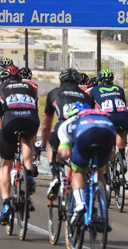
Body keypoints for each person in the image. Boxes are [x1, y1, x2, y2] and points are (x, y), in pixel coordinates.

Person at [0, 65, 39, 225]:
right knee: (27, 141)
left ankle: (6, 204)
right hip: (31, 120)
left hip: (10, 122)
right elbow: (34, 110)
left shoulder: (1, 88)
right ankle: (28, 173)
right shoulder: (30, 87)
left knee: (5, 166)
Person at [57, 102, 118, 225]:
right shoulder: (101, 116)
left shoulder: (69, 123)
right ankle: (102, 215)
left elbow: (65, 153)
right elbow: (111, 156)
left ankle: (80, 204)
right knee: (99, 172)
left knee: (78, 172)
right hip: (108, 130)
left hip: (86, 135)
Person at [40, 68, 94, 200]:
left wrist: (43, 143)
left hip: (64, 126)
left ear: (60, 81)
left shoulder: (54, 93)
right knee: (80, 166)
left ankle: (56, 176)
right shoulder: (86, 96)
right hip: (84, 129)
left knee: (52, 147)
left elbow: (46, 125)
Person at [87, 69, 128, 172]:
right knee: (121, 131)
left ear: (99, 81)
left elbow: (90, 109)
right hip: (123, 116)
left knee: (104, 141)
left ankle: (106, 175)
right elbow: (123, 105)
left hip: (108, 117)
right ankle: (122, 156)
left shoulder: (94, 90)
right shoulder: (119, 89)